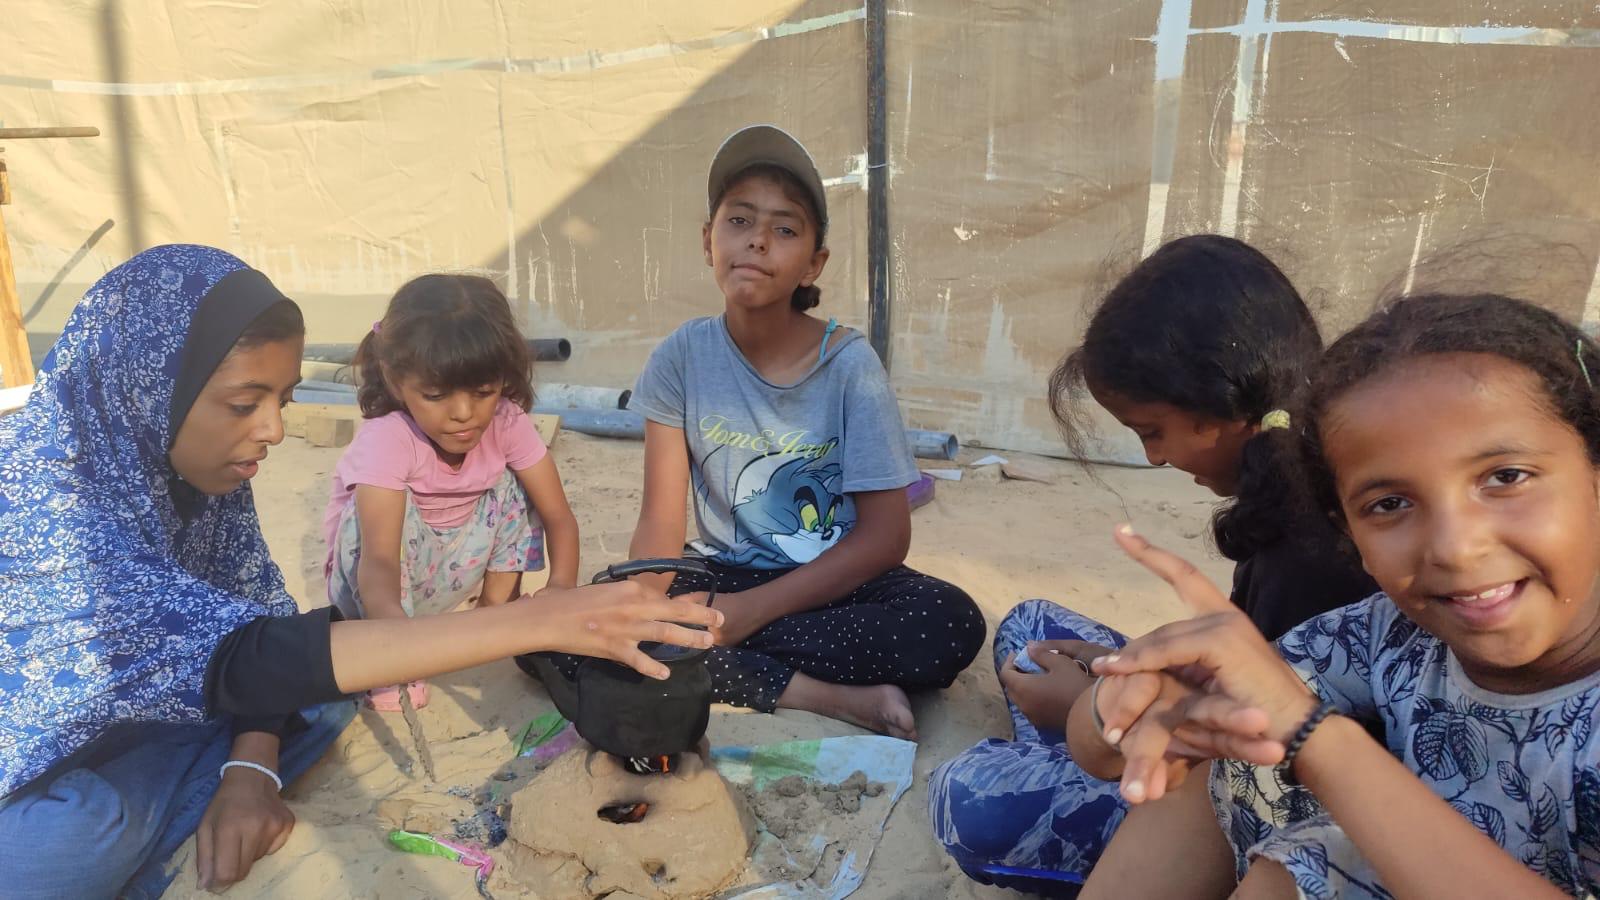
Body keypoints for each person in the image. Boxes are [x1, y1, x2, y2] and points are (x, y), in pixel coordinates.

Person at [0, 245, 720, 898]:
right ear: (148, 384)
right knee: (72, 840)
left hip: (161, 712)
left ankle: (175, 792)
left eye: (281, 401)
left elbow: (261, 624)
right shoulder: (40, 496)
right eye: (244, 404)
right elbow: (257, 655)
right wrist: (546, 615)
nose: (275, 430)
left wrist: (250, 772)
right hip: (34, 766)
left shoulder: (199, 479)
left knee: (319, 697)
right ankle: (151, 808)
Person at [1076, 293, 1600, 899]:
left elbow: (1308, 735)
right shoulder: (1390, 637)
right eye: (1390, 505)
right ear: (1348, 531)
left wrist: (1319, 741)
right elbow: (1108, 750)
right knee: (1231, 730)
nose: (1455, 548)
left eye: (1505, 477)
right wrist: (1122, 700)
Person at [928, 235, 1376, 892]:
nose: (1154, 461)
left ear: (1224, 401)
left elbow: (1263, 749)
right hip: (1225, 723)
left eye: (1152, 432)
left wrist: (1091, 706)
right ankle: (1067, 751)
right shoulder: (1287, 484)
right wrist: (1126, 672)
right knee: (1030, 626)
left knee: (964, 799)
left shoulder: (1309, 552)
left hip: (1265, 794)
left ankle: (1067, 776)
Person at [619, 125, 985, 739]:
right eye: (739, 220)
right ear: (709, 240)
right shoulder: (681, 356)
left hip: (832, 581)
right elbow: (660, 522)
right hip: (719, 573)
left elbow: (885, 537)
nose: (758, 240)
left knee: (949, 623)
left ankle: (722, 659)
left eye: (785, 229)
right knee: (581, 638)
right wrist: (641, 608)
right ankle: (826, 696)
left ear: (814, 263)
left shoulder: (849, 366)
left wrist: (741, 616)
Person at [322, 273, 579, 711]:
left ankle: (493, 618)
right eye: (437, 394)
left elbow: (559, 517)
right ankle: (385, 658)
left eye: (483, 391)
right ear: (395, 378)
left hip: (450, 572)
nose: (463, 414)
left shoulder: (506, 421)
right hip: (376, 592)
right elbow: (379, 561)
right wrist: (394, 651)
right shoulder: (388, 438)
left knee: (515, 487)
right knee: (371, 517)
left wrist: (561, 593)